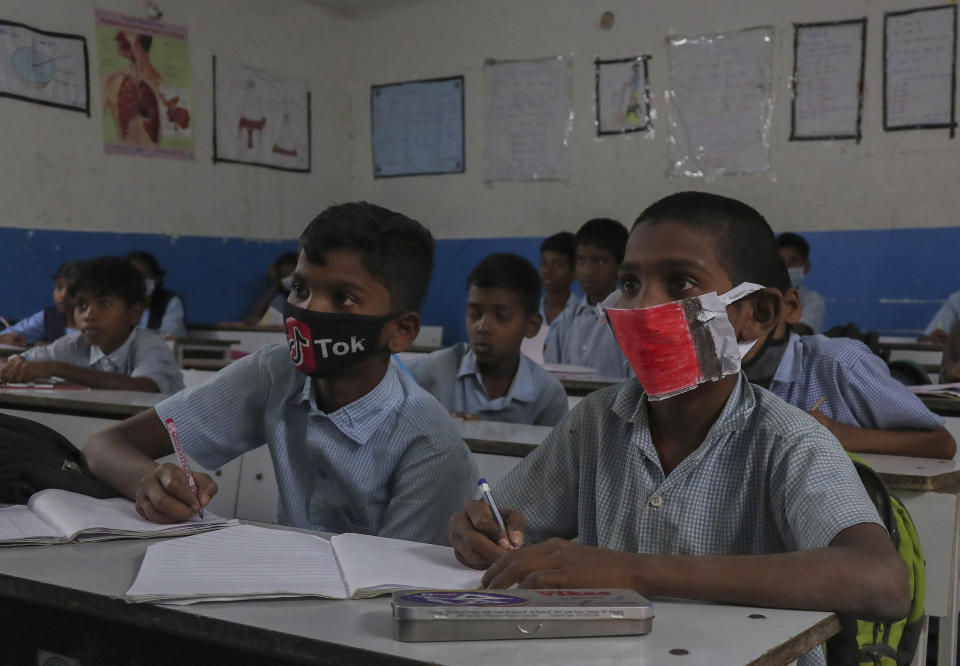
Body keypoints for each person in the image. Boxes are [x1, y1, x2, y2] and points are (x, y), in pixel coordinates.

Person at [448, 192, 907, 666]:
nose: (642, 304)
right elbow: (512, 525)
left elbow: (882, 581)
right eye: (629, 282)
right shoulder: (597, 420)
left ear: (758, 314)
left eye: (680, 281)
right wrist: (482, 531)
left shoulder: (787, 441)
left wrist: (634, 571)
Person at [83, 203, 476, 545]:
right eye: (301, 289)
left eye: (343, 298)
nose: (309, 310)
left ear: (401, 331)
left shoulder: (430, 443)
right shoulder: (276, 372)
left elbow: (396, 588)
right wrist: (151, 480)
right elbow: (105, 445)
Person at [743, 261, 955, 459]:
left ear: (789, 308)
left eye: (761, 314)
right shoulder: (723, 377)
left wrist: (833, 431)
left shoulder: (838, 363)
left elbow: (941, 443)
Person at [408, 253, 567, 426]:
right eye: (475, 314)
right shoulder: (427, 375)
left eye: (501, 316)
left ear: (531, 326)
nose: (482, 326)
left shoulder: (548, 395)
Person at [0, 257, 184, 393]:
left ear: (134, 314)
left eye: (104, 304)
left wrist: (57, 368)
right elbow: (24, 362)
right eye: (81, 305)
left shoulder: (151, 346)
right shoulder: (73, 344)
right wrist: (16, 365)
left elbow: (142, 387)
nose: (89, 315)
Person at [544, 218, 630, 378]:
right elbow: (551, 376)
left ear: (620, 267)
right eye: (581, 260)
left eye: (599, 262)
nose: (587, 271)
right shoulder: (566, 320)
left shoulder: (628, 321)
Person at [0, 261, 82, 347]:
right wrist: (6, 338)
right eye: (59, 287)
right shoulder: (51, 316)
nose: (63, 295)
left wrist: (49, 350)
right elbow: (13, 333)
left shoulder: (93, 322)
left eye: (72, 289)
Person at [126, 251, 187, 338]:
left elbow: (170, 337)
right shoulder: (116, 302)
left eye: (144, 275)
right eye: (132, 276)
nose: (138, 281)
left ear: (156, 279)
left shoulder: (170, 302)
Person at [777, 232, 825, 334]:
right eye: (780, 262)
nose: (786, 267)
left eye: (793, 261)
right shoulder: (763, 295)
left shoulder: (812, 299)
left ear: (806, 266)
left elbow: (800, 331)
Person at [244, 251, 298, 325]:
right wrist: (275, 284)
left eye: (290, 276)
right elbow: (255, 316)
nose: (287, 280)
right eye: (283, 276)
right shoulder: (279, 300)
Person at [538, 232, 577, 326]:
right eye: (544, 263)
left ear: (574, 272)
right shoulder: (530, 311)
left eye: (557, 265)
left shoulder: (580, 315)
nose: (547, 271)